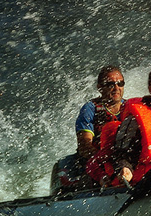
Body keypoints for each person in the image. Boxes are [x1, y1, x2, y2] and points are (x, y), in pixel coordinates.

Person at [52, 65, 126, 193]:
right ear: (99, 87)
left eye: (120, 83)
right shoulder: (90, 109)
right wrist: (105, 163)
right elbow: (84, 146)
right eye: (110, 84)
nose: (116, 88)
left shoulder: (130, 107)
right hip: (94, 164)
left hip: (123, 161)